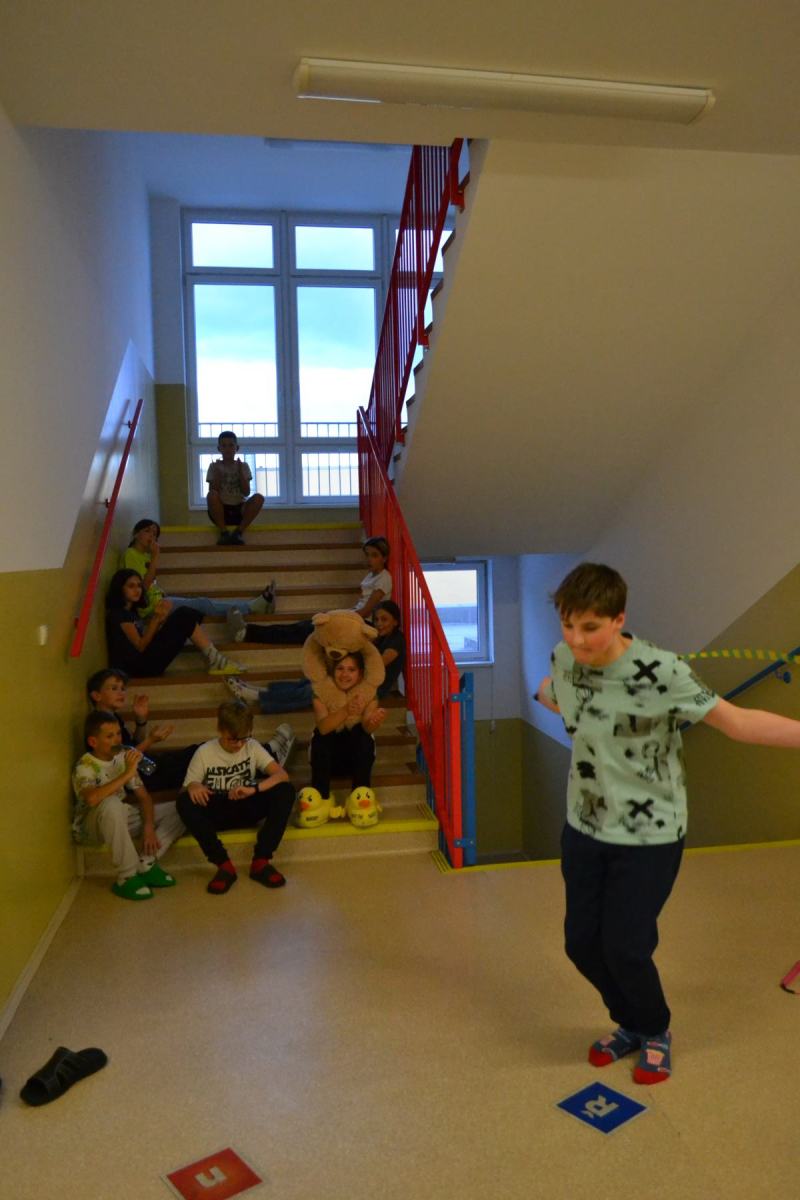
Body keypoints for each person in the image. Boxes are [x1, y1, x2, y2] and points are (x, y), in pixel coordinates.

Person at [536, 561, 800, 1086]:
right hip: (584, 827)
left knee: (625, 947)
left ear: (619, 619)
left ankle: (654, 1029)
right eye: (567, 624)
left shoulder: (663, 671)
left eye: (590, 626)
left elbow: (738, 723)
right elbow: (554, 690)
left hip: (650, 835)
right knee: (580, 944)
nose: (577, 639)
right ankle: (629, 1023)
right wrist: (543, 694)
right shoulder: (564, 659)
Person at [86, 667, 296, 789]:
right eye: (114, 688)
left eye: (123, 688)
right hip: (141, 776)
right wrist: (151, 740)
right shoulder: (100, 725)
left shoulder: (113, 718)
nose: (121, 693)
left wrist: (140, 720)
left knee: (198, 751)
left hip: (147, 765)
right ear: (96, 695)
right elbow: (121, 759)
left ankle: (267, 755)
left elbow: (131, 746)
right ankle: (270, 755)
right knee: (203, 755)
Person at [176, 700, 295, 894]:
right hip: (218, 810)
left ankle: (261, 861)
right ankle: (223, 865)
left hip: (246, 804)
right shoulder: (204, 752)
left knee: (285, 790)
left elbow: (282, 775)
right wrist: (193, 785)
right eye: (233, 739)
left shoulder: (252, 746)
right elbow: (184, 791)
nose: (239, 745)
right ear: (220, 729)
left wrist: (254, 789)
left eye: (244, 738)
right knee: (184, 802)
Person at [72, 710, 184, 900]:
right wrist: (127, 773)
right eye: (109, 736)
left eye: (118, 734)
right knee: (111, 803)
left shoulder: (122, 758)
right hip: (91, 828)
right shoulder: (85, 766)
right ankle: (127, 876)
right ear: (93, 742)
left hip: (118, 817)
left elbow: (144, 797)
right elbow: (92, 799)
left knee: (181, 807)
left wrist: (148, 827)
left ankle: (146, 863)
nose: (117, 739)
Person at [226, 536, 393, 646]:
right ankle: (248, 631)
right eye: (367, 555)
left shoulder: (384, 578)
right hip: (353, 618)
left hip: (363, 625)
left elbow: (365, 612)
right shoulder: (370, 575)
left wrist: (337, 616)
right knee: (303, 626)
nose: (369, 559)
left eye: (375, 555)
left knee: (304, 630)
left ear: (384, 558)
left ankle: (247, 633)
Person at [120, 518, 275, 618]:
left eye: (155, 534)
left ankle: (250, 606)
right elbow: (142, 588)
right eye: (147, 531)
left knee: (199, 603)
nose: (152, 537)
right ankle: (251, 607)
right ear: (136, 534)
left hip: (157, 601)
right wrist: (155, 557)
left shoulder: (145, 557)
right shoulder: (131, 554)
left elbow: (149, 584)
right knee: (202, 604)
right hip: (148, 608)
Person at [105, 569, 242, 677]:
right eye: (131, 586)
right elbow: (140, 646)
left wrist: (161, 620)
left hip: (143, 661)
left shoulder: (132, 613)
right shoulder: (118, 614)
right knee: (184, 615)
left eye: (139, 586)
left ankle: (215, 658)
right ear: (120, 588)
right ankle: (216, 660)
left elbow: (145, 641)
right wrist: (156, 619)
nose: (137, 590)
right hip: (136, 669)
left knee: (192, 614)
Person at [308, 652, 387, 802]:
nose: (345, 674)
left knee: (362, 734)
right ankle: (320, 799)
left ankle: (360, 799)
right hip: (326, 761)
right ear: (332, 671)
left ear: (360, 674)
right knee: (322, 735)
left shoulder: (369, 695)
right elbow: (323, 728)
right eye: (340, 668)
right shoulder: (320, 694)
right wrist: (346, 710)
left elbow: (367, 728)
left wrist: (374, 721)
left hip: (355, 761)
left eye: (351, 670)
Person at [206, 431, 265, 545]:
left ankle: (238, 532)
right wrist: (218, 474)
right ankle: (224, 532)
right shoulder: (213, 466)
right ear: (219, 448)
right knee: (211, 495)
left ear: (236, 448)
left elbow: (246, 492)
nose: (227, 449)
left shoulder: (244, 466)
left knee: (259, 498)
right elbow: (212, 492)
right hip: (221, 510)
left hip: (239, 509)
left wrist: (240, 472)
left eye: (231, 445)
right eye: (224, 445)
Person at [373, 600, 405, 699]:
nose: (379, 623)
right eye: (376, 619)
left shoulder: (397, 640)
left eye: (384, 619)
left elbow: (377, 665)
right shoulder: (381, 637)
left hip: (379, 690)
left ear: (395, 622)